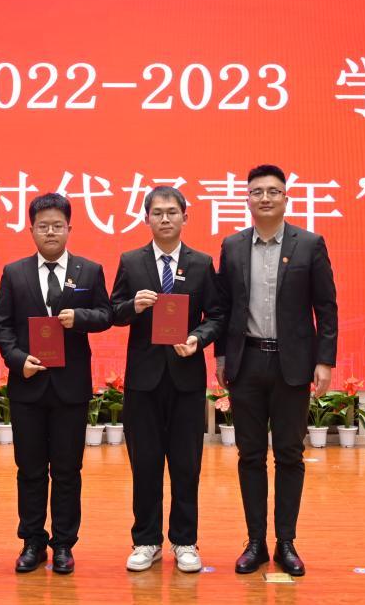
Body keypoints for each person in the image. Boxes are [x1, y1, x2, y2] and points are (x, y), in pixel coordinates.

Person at [214, 164, 338, 577]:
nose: (264, 198)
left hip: (292, 364)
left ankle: (286, 542)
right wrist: (220, 357)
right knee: (249, 454)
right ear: (247, 199)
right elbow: (223, 308)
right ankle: (255, 542)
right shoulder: (232, 246)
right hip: (247, 362)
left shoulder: (310, 245)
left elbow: (326, 307)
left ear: (286, 198)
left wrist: (324, 360)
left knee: (288, 454)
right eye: (257, 192)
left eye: (273, 191)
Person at [0, 192, 113, 574]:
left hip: (70, 388)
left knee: (66, 470)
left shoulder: (89, 270)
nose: (50, 232)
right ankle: (32, 541)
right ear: (31, 230)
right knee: (29, 469)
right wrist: (16, 360)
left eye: (57, 225)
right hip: (28, 385)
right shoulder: (14, 273)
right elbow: (2, 326)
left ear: (69, 229)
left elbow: (106, 314)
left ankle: (63, 544)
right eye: (42, 226)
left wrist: (80, 318)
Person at [110, 185, 223, 573]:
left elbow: (217, 316)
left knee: (186, 464)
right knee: (144, 464)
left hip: (186, 378)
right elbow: (113, 311)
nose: (165, 219)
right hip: (143, 380)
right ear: (146, 219)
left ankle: (185, 541)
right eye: (157, 213)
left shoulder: (201, 263)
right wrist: (133, 305)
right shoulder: (131, 261)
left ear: (185, 217)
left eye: (172, 212)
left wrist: (198, 339)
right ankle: (146, 541)